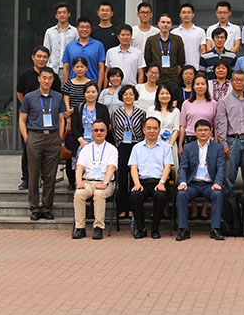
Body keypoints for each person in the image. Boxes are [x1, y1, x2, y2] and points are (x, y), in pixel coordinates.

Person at [19, 68, 67, 221]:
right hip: (35, 136)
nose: (47, 81)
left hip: (52, 137)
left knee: (50, 175)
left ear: (53, 80)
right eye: (44, 78)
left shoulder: (58, 97)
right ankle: (34, 207)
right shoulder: (29, 97)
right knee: (34, 174)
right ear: (39, 79)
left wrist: (60, 137)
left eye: (50, 78)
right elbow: (22, 120)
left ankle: (47, 207)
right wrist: (27, 138)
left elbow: (61, 119)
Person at [16, 46, 61, 190]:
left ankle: (45, 178)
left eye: (45, 57)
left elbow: (58, 97)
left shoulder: (53, 77)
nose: (42, 59)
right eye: (39, 56)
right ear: (33, 57)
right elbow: (19, 93)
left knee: (47, 153)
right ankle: (27, 178)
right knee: (27, 149)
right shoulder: (25, 75)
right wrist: (30, 107)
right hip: (32, 118)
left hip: (49, 120)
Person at [175, 119, 226, 241]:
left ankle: (215, 229)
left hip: (209, 184)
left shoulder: (218, 148)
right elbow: (182, 168)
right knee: (181, 194)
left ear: (210, 132)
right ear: (195, 132)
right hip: (192, 184)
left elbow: (221, 167)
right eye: (200, 130)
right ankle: (183, 229)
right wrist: (183, 182)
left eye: (206, 130)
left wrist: (218, 183)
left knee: (218, 194)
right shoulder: (188, 147)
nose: (203, 133)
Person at [128, 116, 173, 239]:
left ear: (159, 130)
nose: (152, 131)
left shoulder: (166, 147)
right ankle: (141, 229)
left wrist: (162, 182)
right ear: (144, 130)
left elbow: (168, 167)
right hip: (141, 182)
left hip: (159, 181)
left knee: (160, 196)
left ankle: (155, 229)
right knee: (135, 196)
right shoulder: (137, 147)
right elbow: (133, 168)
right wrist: (137, 183)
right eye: (149, 128)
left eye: (155, 128)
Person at [71, 120, 118, 239]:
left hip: (105, 182)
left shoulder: (112, 149)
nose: (99, 132)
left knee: (99, 194)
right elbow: (79, 167)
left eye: (102, 130)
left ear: (106, 132)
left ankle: (98, 228)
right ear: (91, 132)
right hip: (87, 182)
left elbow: (112, 168)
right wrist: (79, 182)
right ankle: (80, 228)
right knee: (79, 194)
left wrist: (105, 183)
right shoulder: (85, 149)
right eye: (96, 130)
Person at [216, 69, 244, 198]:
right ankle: (230, 208)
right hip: (232, 142)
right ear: (231, 82)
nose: (239, 82)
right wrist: (224, 144)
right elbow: (221, 124)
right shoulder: (223, 101)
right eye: (236, 80)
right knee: (229, 178)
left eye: (242, 80)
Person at [67, 81, 111, 190]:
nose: (90, 94)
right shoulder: (78, 108)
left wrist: (98, 140)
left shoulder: (103, 108)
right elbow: (74, 127)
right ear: (84, 94)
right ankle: (78, 184)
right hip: (82, 141)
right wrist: (81, 141)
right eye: (88, 92)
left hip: (98, 141)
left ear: (97, 93)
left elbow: (105, 125)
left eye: (93, 92)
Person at [111, 85, 146, 218]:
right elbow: (114, 131)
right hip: (122, 147)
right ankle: (122, 208)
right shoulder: (116, 113)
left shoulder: (141, 113)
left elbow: (143, 131)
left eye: (131, 94)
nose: (128, 96)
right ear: (121, 96)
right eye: (125, 94)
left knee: (134, 177)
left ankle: (132, 208)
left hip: (136, 146)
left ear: (135, 96)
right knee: (122, 178)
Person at [179, 75, 218, 156]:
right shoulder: (186, 103)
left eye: (203, 84)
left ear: (207, 86)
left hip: (208, 140)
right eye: (197, 84)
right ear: (193, 86)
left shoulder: (213, 103)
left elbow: (216, 126)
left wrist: (216, 142)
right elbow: (182, 126)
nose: (200, 87)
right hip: (190, 139)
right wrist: (180, 146)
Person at [143, 14, 186, 87]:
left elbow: (181, 61)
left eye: (168, 22)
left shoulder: (177, 40)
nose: (165, 25)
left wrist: (175, 73)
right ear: (158, 24)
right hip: (157, 79)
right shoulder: (151, 40)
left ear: (171, 24)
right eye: (163, 22)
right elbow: (148, 60)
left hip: (173, 79)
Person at [61, 17, 106, 87]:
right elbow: (66, 68)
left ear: (91, 29)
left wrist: (98, 87)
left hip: (92, 86)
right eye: (82, 27)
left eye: (87, 27)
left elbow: (101, 67)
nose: (84, 29)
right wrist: (66, 87)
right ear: (77, 29)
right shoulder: (70, 46)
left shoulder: (98, 45)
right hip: (73, 86)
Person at [146, 85, 180, 167]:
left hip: (170, 142)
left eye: (167, 93)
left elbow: (176, 129)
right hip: (154, 142)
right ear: (157, 95)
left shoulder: (176, 111)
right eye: (162, 93)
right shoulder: (151, 109)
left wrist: (170, 146)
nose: (165, 96)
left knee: (170, 168)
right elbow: (149, 127)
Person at [174, 3, 214, 71]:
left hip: (196, 67)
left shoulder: (200, 31)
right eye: (184, 12)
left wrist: (202, 67)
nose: (186, 15)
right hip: (179, 69)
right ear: (180, 15)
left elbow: (203, 51)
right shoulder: (174, 32)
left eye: (189, 12)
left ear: (193, 15)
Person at [44, 2, 78, 75]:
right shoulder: (49, 32)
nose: (62, 15)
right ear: (56, 16)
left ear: (69, 14)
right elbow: (46, 50)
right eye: (59, 13)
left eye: (64, 12)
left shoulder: (75, 31)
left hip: (70, 69)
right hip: (53, 69)